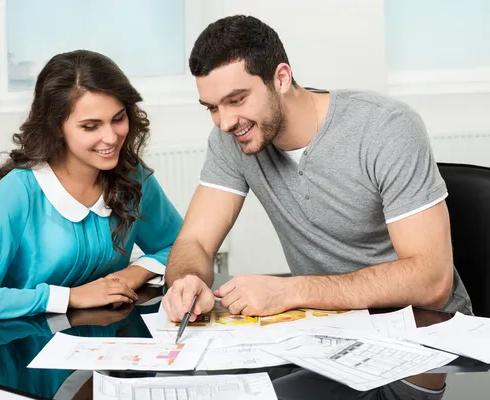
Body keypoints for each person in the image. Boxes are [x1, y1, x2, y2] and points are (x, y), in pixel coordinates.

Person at [162, 15, 472, 324]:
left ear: (281, 78)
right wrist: (186, 282)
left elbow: (432, 281)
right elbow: (196, 242)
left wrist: (289, 291)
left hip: (426, 327)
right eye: (213, 107)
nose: (225, 122)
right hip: (326, 328)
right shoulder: (231, 139)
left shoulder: (386, 127)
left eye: (237, 100)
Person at [0, 50, 183, 321]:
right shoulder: (21, 190)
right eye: (90, 126)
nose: (110, 137)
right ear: (57, 127)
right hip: (24, 344)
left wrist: (134, 273)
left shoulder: (132, 176)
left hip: (101, 345)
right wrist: (70, 296)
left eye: (118, 119)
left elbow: (184, 245)